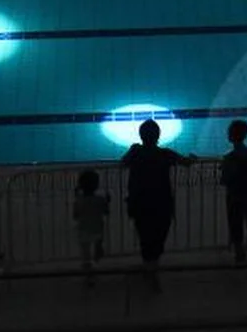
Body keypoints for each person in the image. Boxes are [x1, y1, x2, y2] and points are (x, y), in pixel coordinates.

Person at [121, 119, 196, 291]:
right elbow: (186, 162)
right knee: (159, 235)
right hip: (162, 203)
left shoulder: (136, 152)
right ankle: (153, 267)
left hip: (140, 203)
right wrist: (193, 157)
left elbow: (123, 163)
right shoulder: (165, 154)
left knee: (145, 235)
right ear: (158, 136)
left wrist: (132, 149)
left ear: (141, 135)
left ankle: (150, 267)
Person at [220, 119, 247, 264]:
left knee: (236, 223)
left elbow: (225, 179)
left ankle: (240, 252)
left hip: (235, 196)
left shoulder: (229, 158)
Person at [72, 170, 110, 287]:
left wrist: (77, 197)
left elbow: (75, 216)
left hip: (83, 229)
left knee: (85, 254)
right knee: (97, 241)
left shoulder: (79, 201)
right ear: (97, 185)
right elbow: (106, 212)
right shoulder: (100, 199)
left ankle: (89, 276)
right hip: (97, 228)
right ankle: (98, 249)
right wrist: (107, 201)